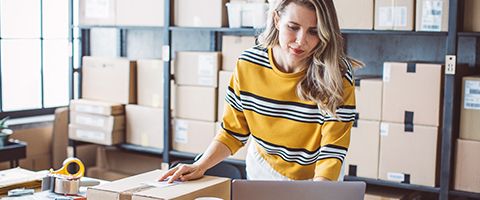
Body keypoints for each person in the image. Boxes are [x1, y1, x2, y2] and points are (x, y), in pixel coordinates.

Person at [160, 0, 362, 183]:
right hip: (265, 169)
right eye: (293, 27)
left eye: (314, 31)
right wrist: (200, 165)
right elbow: (232, 131)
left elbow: (332, 148)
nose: (301, 40)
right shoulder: (249, 65)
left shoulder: (337, 74)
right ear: (276, 19)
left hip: (321, 174)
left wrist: (318, 191)